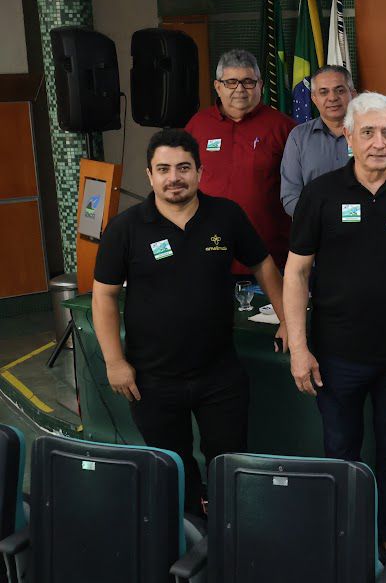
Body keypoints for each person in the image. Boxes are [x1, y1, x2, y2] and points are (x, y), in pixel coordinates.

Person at [283, 92, 386, 555]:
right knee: (340, 453)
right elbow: (295, 273)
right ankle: (346, 538)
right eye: (369, 132)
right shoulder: (320, 193)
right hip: (336, 356)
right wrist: (299, 348)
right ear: (348, 136)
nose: (379, 142)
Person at [91, 129, 287, 514]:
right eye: (163, 169)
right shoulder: (126, 228)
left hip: (220, 374)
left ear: (199, 171)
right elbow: (104, 296)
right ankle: (188, 539)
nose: (174, 177)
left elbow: (263, 264)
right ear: (149, 175)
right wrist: (114, 361)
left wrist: (287, 320)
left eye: (183, 167)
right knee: (173, 468)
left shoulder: (226, 216)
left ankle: (229, 536)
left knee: (230, 465)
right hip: (152, 378)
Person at [185, 49, 296, 271]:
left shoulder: (284, 128)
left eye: (248, 82)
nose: (240, 89)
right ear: (217, 86)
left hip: (270, 256)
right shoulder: (197, 125)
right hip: (208, 252)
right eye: (231, 82)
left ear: (260, 84)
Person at [280, 65, 356, 216]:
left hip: (363, 230)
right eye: (323, 92)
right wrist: (321, 219)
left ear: (353, 94)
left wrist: (351, 218)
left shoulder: (372, 134)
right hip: (315, 232)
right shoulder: (298, 137)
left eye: (340, 90)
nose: (332, 97)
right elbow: (290, 195)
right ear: (314, 98)